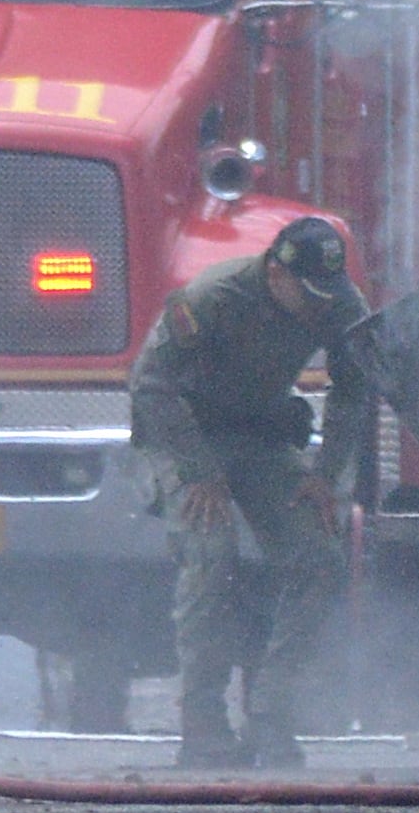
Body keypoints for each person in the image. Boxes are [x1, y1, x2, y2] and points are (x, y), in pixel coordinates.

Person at [128, 218, 372, 768]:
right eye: (306, 294)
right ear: (275, 271)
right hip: (185, 435)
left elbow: (355, 389)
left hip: (260, 436)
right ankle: (203, 722)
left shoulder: (338, 301)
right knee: (211, 557)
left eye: (325, 294)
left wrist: (324, 476)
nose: (318, 307)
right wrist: (198, 470)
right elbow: (151, 384)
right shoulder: (214, 296)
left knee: (318, 559)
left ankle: (271, 715)